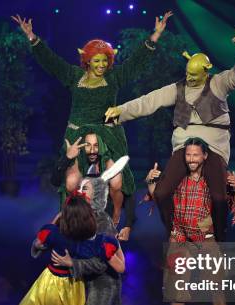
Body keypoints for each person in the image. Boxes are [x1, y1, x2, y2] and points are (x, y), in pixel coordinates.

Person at [12, 11, 172, 224]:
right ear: (87, 61)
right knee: (71, 183)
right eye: (96, 60)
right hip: (78, 135)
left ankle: (115, 215)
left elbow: (135, 63)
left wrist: (155, 36)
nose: (101, 65)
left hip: (106, 135)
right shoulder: (74, 76)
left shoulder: (114, 78)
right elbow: (51, 62)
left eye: (105, 61)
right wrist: (32, 38)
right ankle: (71, 219)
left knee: (116, 183)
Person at [105, 28, 235, 241]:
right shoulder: (178, 88)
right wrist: (121, 111)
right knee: (163, 192)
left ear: (206, 71)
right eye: (187, 74)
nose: (190, 78)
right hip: (185, 145)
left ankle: (219, 239)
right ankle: (173, 230)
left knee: (219, 198)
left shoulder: (218, 84)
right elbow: (149, 101)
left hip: (213, 146)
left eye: (194, 75)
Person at [146, 138, 235, 305]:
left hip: (205, 236)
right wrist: (151, 182)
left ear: (204, 156)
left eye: (195, 155)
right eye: (188, 155)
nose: (191, 159)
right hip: (179, 234)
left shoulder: (215, 181)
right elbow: (157, 196)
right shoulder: (177, 179)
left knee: (216, 286)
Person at [52, 157, 142, 305]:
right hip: (87, 284)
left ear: (99, 193)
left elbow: (106, 265)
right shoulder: (78, 215)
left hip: (104, 284)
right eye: (81, 187)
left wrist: (74, 264)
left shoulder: (101, 222)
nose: (81, 191)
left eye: (86, 188)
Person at [51, 124, 136, 240]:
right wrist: (67, 157)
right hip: (80, 219)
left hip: (105, 221)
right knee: (71, 181)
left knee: (116, 180)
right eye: (88, 146)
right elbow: (55, 181)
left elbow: (128, 193)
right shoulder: (77, 166)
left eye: (96, 146)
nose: (92, 151)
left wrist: (128, 226)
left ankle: (114, 220)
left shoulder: (108, 163)